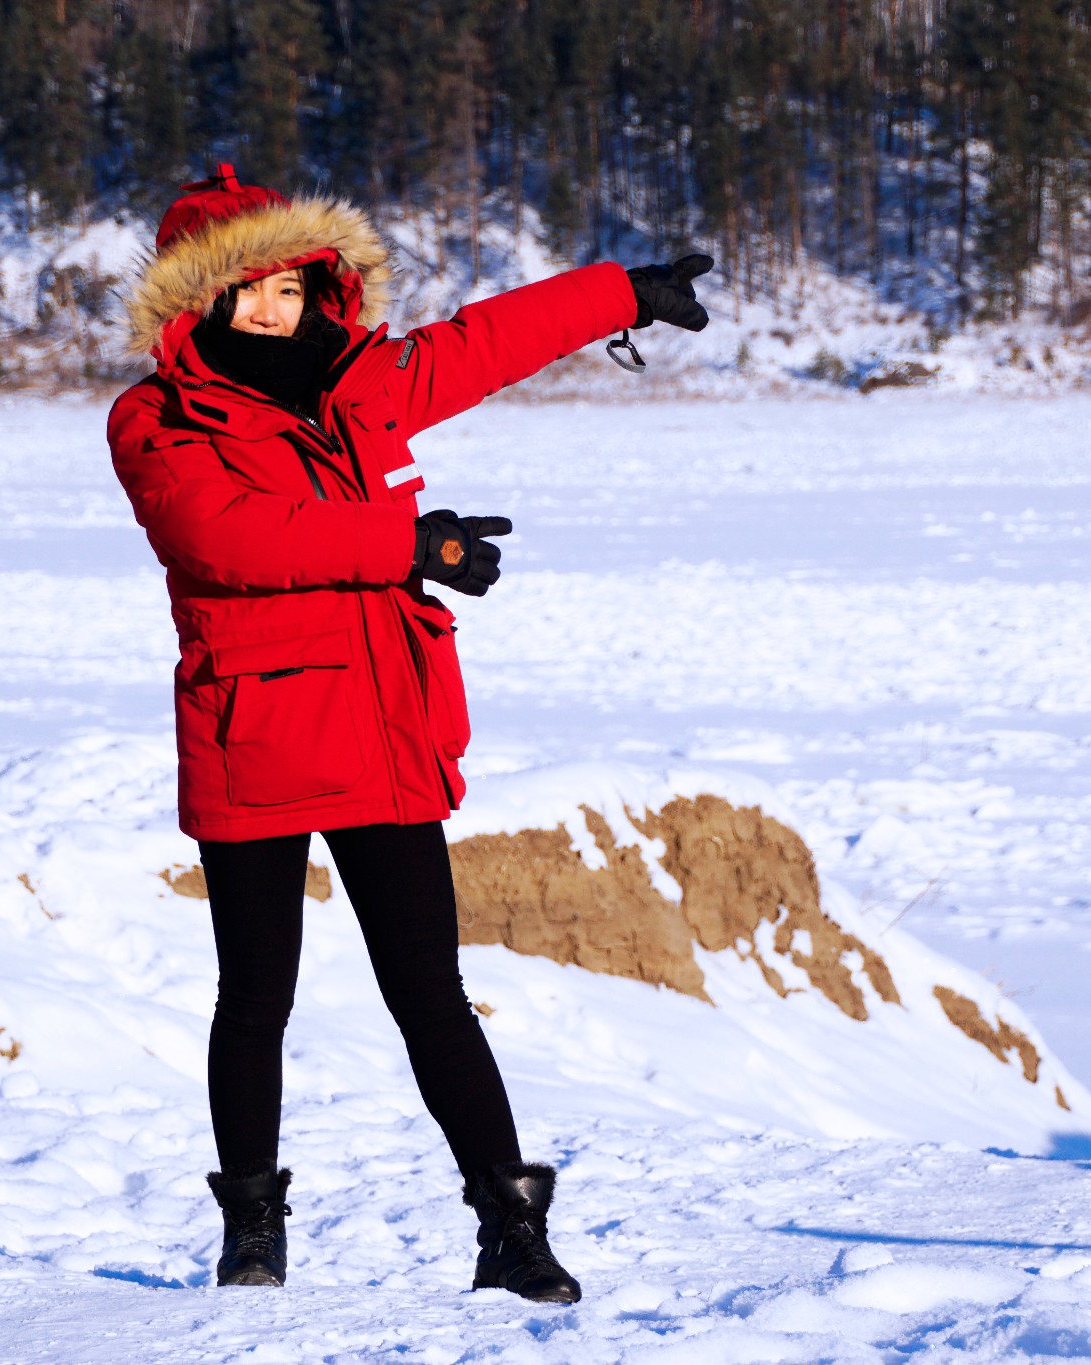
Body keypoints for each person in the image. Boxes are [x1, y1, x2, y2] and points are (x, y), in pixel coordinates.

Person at [108, 164, 712, 1299]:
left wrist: (618, 295)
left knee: (430, 992)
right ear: (200, 298)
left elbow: (476, 345)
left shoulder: (360, 384)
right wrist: (404, 546)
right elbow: (226, 539)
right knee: (255, 997)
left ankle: (510, 1229)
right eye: (250, 290)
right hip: (257, 738)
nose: (276, 309)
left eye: (291, 286)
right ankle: (251, 1234)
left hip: (384, 730)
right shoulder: (156, 419)